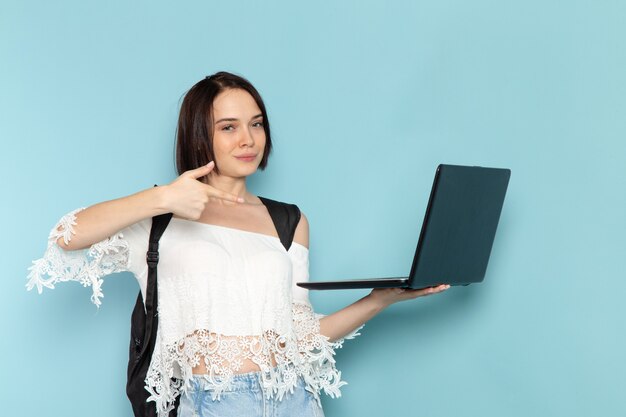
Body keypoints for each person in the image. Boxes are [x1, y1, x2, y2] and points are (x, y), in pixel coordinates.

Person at [26, 71, 449, 417]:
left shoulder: (289, 220)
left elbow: (298, 335)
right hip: (214, 404)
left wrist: (379, 300)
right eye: (228, 127)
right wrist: (163, 197)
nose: (248, 139)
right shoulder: (160, 217)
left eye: (256, 123)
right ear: (198, 135)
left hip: (295, 399)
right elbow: (67, 237)